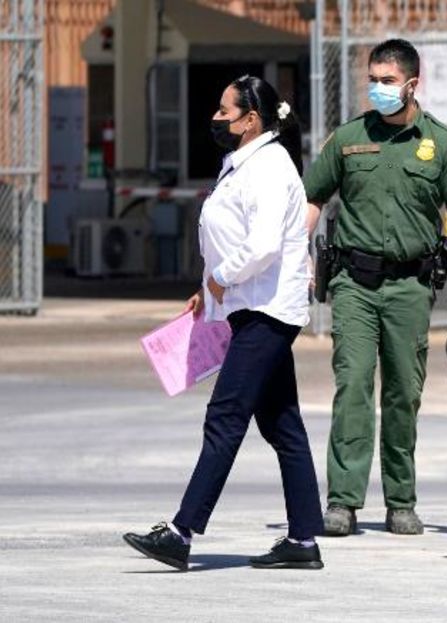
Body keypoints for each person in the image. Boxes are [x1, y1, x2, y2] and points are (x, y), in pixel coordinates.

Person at [123, 76, 324, 571]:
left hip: (268, 310)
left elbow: (263, 247)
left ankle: (181, 531)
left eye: (223, 111)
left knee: (225, 416)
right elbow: (229, 236)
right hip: (251, 304)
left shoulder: (271, 169)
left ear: (250, 121)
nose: (216, 119)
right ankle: (302, 541)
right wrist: (208, 286)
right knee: (283, 425)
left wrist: (221, 280)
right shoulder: (244, 165)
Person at [302, 39, 447, 537]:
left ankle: (401, 500)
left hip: (410, 287)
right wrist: (295, 255)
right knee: (354, 385)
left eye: (388, 80)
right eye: (374, 79)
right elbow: (313, 198)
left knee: (405, 392)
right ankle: (343, 501)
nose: (378, 88)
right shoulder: (347, 139)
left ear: (412, 84)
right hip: (353, 285)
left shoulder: (441, 144)